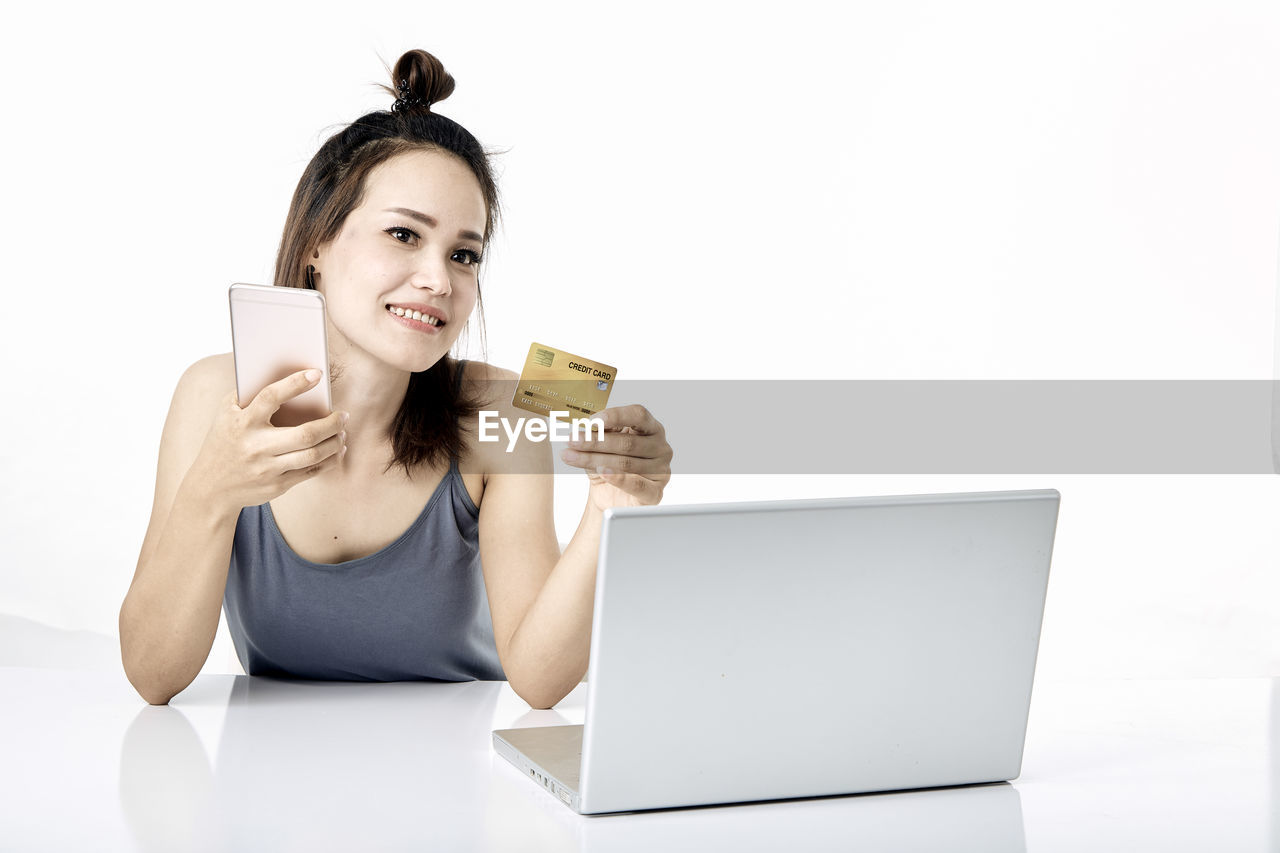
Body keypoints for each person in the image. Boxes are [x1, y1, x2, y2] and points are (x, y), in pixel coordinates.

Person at [118, 49, 673, 709]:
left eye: (464, 254)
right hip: (265, 778)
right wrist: (212, 493)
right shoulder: (214, 396)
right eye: (405, 234)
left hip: (460, 772)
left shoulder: (504, 409)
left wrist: (609, 510)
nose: (440, 280)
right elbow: (154, 675)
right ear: (316, 244)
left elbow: (541, 680)